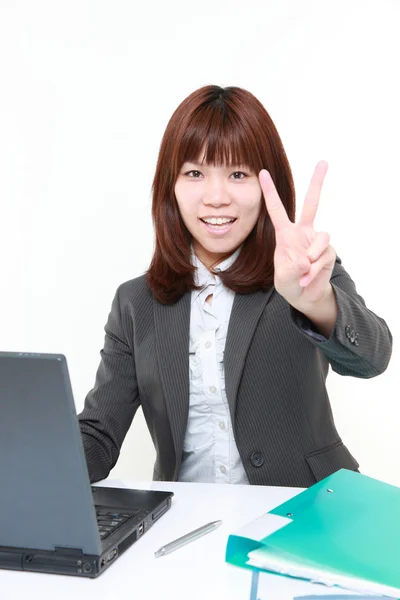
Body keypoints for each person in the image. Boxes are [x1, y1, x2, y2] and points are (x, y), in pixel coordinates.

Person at [78, 85, 392, 488]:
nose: (216, 197)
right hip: (183, 525)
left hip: (307, 512)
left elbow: (373, 357)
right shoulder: (136, 302)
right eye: (194, 173)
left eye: (238, 174)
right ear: (170, 187)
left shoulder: (303, 270)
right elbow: (98, 435)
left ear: (268, 187)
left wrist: (317, 303)